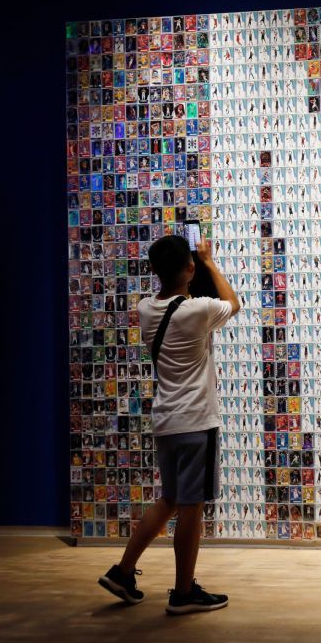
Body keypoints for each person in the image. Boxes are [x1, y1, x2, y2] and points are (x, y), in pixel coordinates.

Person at [98, 233, 241, 615]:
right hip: (197, 421)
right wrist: (209, 261)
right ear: (189, 268)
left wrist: (194, 267)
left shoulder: (146, 308)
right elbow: (233, 303)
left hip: (166, 420)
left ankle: (123, 571)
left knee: (170, 500)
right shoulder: (198, 310)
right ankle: (183, 592)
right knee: (191, 509)